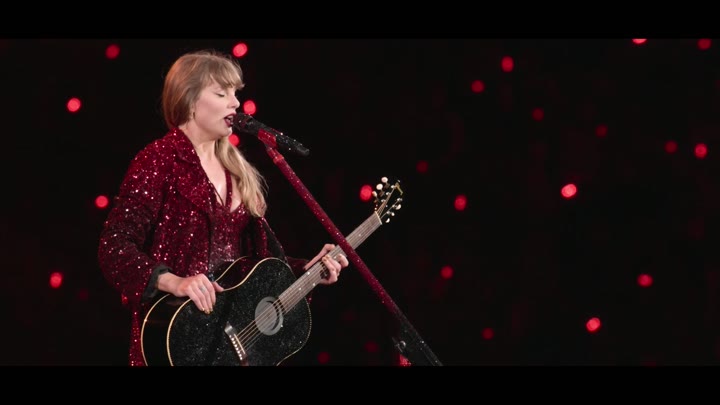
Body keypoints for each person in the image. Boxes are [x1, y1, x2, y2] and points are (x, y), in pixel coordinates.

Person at [97, 49, 349, 366]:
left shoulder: (238, 172)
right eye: (221, 93)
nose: (235, 103)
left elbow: (255, 269)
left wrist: (307, 270)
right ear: (189, 101)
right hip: (176, 342)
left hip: (228, 347)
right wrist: (175, 281)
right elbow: (114, 247)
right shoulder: (159, 160)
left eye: (235, 94)